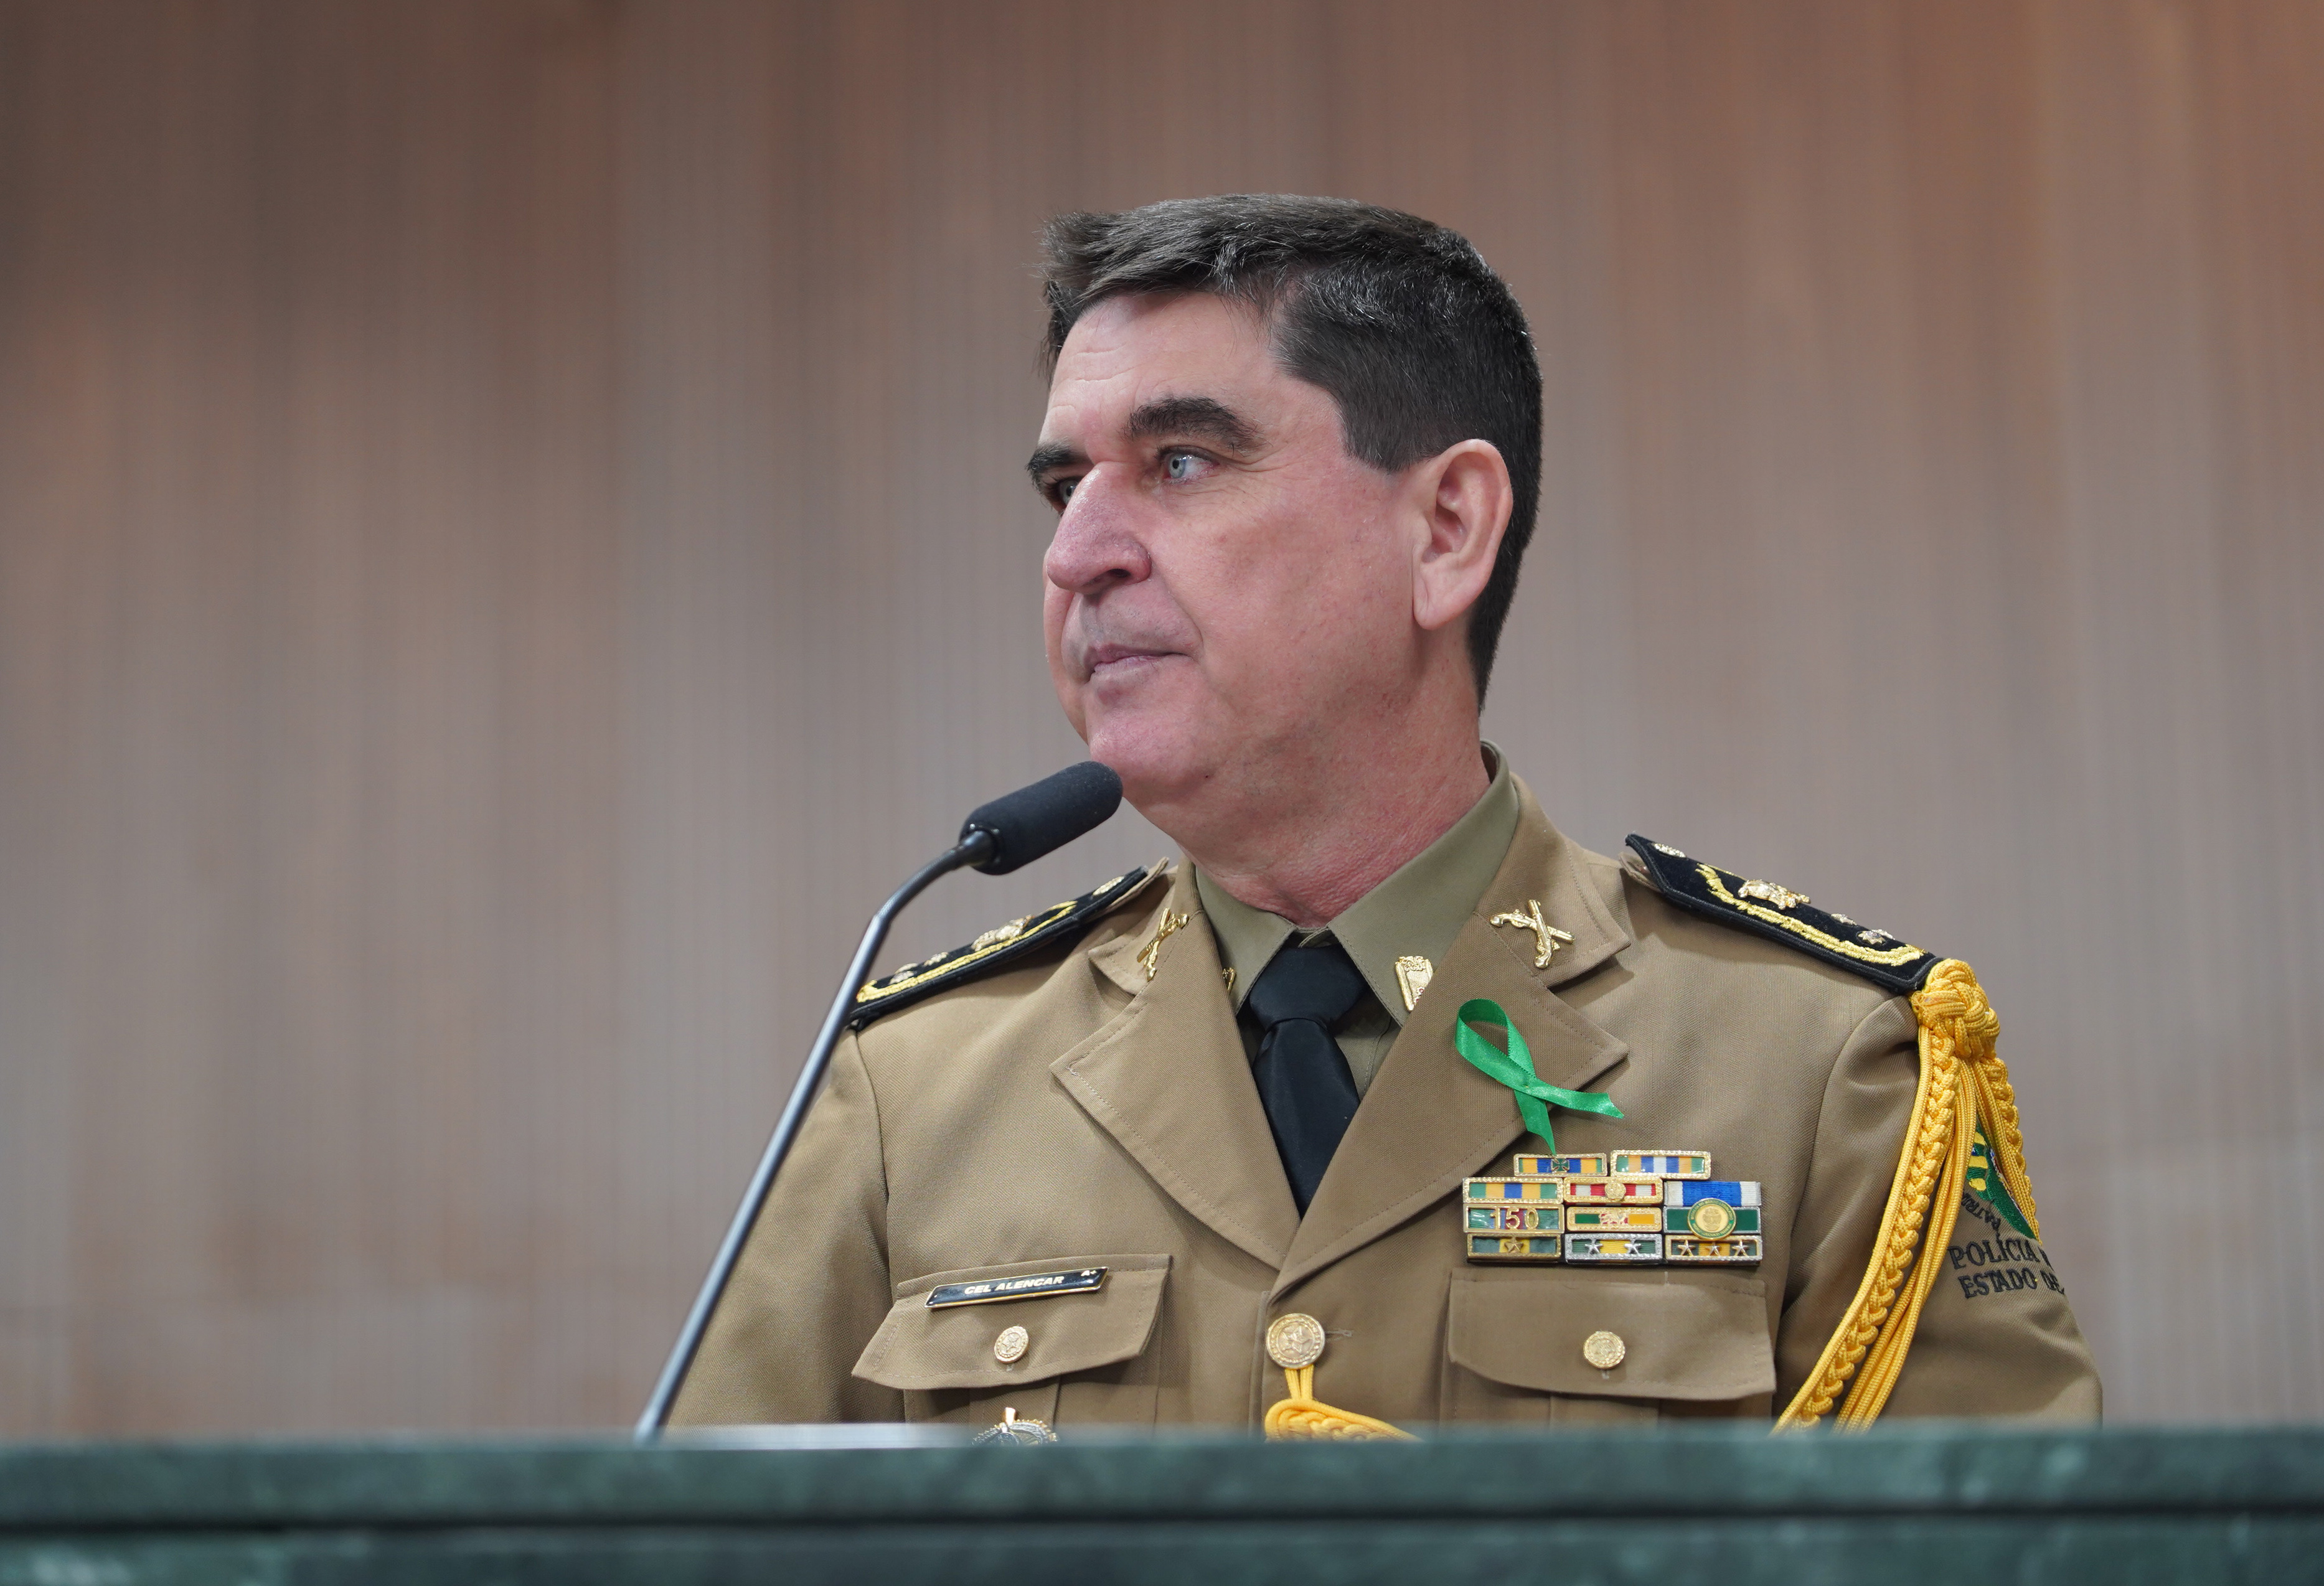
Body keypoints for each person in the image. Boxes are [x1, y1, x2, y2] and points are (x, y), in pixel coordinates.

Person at [671, 195, 2099, 1434]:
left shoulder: (1818, 1067)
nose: (1076, 553)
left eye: (1180, 462)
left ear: (1447, 529)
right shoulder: (908, 1088)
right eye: (1063, 484)